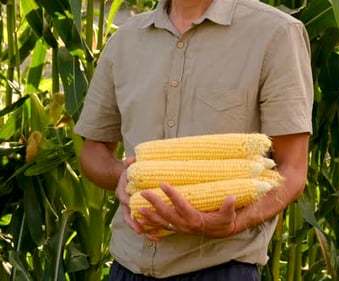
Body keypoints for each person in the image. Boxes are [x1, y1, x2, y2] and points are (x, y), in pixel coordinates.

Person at [74, 0, 313, 279]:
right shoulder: (124, 41)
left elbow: (292, 170)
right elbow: (93, 150)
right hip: (127, 266)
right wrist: (125, 176)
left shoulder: (276, 34)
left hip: (219, 267)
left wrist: (236, 222)